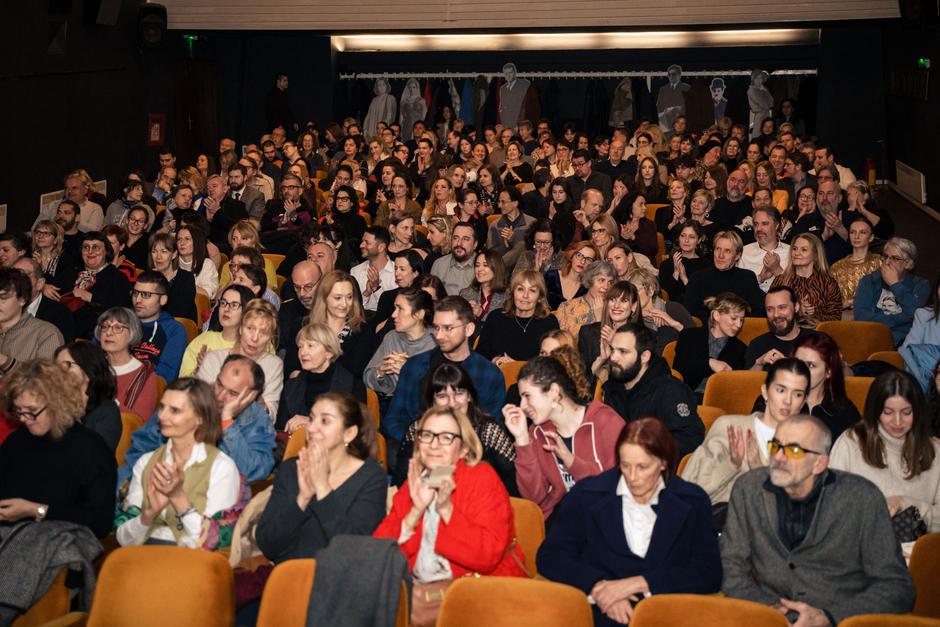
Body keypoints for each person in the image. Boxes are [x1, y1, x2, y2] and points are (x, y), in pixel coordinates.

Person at [721, 414, 916, 624]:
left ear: (819, 463)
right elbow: (729, 564)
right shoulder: (748, 489)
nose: (778, 458)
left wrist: (829, 617)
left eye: (794, 451)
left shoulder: (862, 498)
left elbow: (897, 586)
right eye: (775, 446)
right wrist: (769, 610)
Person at [538, 418, 722, 627]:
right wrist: (598, 588)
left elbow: (708, 571)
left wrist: (640, 583)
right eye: (625, 465)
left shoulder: (693, 501)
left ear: (663, 463)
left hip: (667, 612)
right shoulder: (588, 495)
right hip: (598, 613)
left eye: (643, 467)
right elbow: (552, 556)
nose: (633, 477)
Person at [374, 406, 526, 596]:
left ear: (463, 449)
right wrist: (415, 512)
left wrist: (446, 509)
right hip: (419, 590)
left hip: (479, 593)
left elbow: (487, 556)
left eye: (446, 437)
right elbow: (378, 554)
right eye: (427, 435)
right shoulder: (416, 481)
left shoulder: (481, 478)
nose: (434, 445)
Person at [115, 377, 246, 550]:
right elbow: (124, 540)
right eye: (162, 407)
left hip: (192, 562)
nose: (162, 416)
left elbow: (213, 543)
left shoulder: (221, 468)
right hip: (144, 554)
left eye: (175, 410)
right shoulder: (146, 462)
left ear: (200, 418)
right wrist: (147, 516)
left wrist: (179, 498)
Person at [257, 391, 387, 563]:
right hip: (291, 578)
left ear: (349, 433)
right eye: (311, 419)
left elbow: (355, 550)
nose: (311, 428)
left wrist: (322, 488)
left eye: (325, 421)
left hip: (341, 580)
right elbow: (268, 544)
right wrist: (302, 499)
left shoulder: (370, 477)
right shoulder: (292, 468)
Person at [118, 354, 275, 489]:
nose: (220, 396)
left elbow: (253, 472)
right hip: (155, 479)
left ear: (251, 396)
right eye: (219, 384)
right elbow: (142, 446)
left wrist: (227, 422)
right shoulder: (189, 397)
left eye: (233, 393)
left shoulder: (258, 421)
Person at [0, 359, 116, 538]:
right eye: (18, 410)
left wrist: (36, 510)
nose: (23, 419)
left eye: (31, 411)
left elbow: (100, 522)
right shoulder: (17, 441)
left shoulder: (90, 449)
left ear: (58, 403)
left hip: (57, 542)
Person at [503, 353, 625, 519]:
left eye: (527, 396)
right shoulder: (538, 432)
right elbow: (534, 498)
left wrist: (572, 462)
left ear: (554, 391)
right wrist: (523, 440)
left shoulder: (605, 421)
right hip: (562, 525)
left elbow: (618, 488)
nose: (523, 406)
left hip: (607, 520)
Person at [682, 358, 810, 506]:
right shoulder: (731, 428)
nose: (788, 400)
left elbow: (802, 511)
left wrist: (759, 471)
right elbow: (690, 491)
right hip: (716, 522)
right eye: (781, 390)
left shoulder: (805, 445)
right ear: (765, 391)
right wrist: (731, 465)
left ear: (804, 400)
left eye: (798, 394)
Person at [383, 296, 506, 448]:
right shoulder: (415, 366)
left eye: (448, 328)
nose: (439, 336)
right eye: (436, 328)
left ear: (469, 329)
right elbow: (394, 419)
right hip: (420, 450)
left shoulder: (489, 374)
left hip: (470, 455)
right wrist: (423, 443)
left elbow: (492, 427)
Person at [830, 370, 940, 532]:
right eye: (888, 412)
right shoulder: (850, 443)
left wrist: (906, 503)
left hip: (918, 551)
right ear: (875, 411)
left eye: (906, 412)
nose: (897, 421)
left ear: (917, 411)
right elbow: (830, 509)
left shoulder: (934, 450)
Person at [394, 363, 517, 495]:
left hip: (481, 504)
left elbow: (515, 484)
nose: (452, 403)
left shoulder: (488, 431)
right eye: (442, 396)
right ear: (432, 402)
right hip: (429, 507)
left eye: (459, 393)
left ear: (469, 396)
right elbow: (402, 484)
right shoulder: (419, 431)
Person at [603, 323, 705, 460]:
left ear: (645, 356)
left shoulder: (670, 390)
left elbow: (689, 440)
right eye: (612, 349)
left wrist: (647, 456)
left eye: (623, 351)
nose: (613, 357)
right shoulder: (612, 388)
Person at [198, 299, 283, 417]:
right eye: (250, 328)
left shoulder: (274, 364)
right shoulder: (213, 359)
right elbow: (198, 405)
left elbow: (271, 417)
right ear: (241, 328)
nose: (255, 338)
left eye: (263, 332)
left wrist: (256, 397)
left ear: (270, 337)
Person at [855, 236, 931, 346]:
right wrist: (903, 318)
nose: (887, 262)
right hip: (869, 337)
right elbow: (861, 317)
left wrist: (895, 284)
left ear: (909, 264)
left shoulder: (921, 285)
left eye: (895, 258)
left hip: (901, 343)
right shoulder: (868, 281)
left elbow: (915, 313)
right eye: (885, 256)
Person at [475, 269, 560, 365]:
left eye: (532, 290)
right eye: (520, 289)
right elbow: (479, 355)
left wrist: (516, 366)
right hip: (497, 376)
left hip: (534, 377)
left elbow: (553, 363)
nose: (525, 295)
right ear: (512, 293)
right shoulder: (496, 317)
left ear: (540, 297)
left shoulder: (549, 322)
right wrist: (495, 360)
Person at [364, 288, 436, 401]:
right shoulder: (392, 337)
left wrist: (410, 371)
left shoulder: (437, 342)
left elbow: (440, 389)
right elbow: (367, 377)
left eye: (400, 309)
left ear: (419, 314)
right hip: (393, 405)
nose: (393, 314)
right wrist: (380, 372)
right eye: (395, 308)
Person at [52, 341, 121, 453]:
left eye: (67, 365)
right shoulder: (50, 405)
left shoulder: (107, 411)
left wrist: (75, 416)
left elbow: (94, 458)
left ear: (89, 370)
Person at [673, 293, 748, 393]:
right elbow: (679, 372)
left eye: (741, 320)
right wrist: (709, 362)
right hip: (685, 396)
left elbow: (735, 387)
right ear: (716, 315)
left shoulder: (740, 348)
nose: (739, 325)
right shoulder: (689, 336)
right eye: (734, 318)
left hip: (718, 401)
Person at [306, 270, 376, 378]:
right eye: (338, 298)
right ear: (324, 298)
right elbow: (293, 369)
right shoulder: (306, 326)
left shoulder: (363, 331)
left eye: (349, 297)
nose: (344, 304)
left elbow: (355, 372)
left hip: (344, 391)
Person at [65, 231, 133, 339]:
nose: (90, 252)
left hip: (95, 335)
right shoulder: (70, 271)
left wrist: (90, 297)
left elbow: (122, 312)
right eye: (86, 247)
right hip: (62, 327)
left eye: (96, 247)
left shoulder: (118, 278)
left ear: (106, 251)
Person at [684, 230, 765, 318]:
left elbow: (757, 313)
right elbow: (690, 314)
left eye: (727, 251)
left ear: (737, 255)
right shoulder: (698, 278)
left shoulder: (747, 278)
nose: (720, 255)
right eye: (718, 249)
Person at [96, 307, 159, 421]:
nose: (108, 332)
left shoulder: (145, 374)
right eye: (105, 326)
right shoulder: (91, 366)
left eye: (118, 328)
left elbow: (138, 421)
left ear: (132, 333)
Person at [578, 281, 643, 388]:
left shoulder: (643, 337)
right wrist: (600, 360)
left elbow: (642, 380)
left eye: (624, 301)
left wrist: (617, 342)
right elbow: (581, 383)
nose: (616, 305)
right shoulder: (588, 333)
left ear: (634, 306)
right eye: (612, 299)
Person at [770, 233, 841, 326]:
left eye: (804, 250)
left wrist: (813, 315)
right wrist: (797, 312)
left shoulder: (828, 283)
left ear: (815, 255)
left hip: (818, 335)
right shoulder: (781, 281)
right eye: (794, 249)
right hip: (787, 334)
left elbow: (835, 318)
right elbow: (771, 311)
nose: (796, 253)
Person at [0, 266, 64, 369]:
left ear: (22, 300)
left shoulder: (46, 333)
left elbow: (46, 380)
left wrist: (4, 361)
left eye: (3, 298)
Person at [130, 271, 187, 382]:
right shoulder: (120, 323)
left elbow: (165, 376)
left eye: (146, 295)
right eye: (135, 293)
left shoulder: (174, 330)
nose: (138, 300)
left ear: (163, 300)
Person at [624, 267, 694, 355]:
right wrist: (637, 316)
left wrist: (675, 324)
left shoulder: (674, 309)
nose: (632, 296)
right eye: (629, 292)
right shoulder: (629, 318)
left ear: (650, 290)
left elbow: (697, 343)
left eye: (636, 291)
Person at [745, 286, 814, 370]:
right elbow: (748, 381)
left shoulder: (817, 341)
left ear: (796, 307)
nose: (776, 315)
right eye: (770, 309)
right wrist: (759, 363)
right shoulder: (757, 345)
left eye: (782, 307)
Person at [555, 260, 616, 336]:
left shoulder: (614, 310)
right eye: (601, 280)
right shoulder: (567, 307)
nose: (606, 287)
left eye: (610, 282)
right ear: (590, 280)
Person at [738, 207, 790, 292]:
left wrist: (777, 270)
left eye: (764, 224)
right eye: (756, 224)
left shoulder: (791, 252)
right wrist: (760, 278)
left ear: (777, 225)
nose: (758, 229)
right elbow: (738, 290)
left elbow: (797, 290)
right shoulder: (743, 252)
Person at [148, 232, 198, 322]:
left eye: (164, 251)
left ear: (174, 254)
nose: (158, 257)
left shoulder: (186, 278)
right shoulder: (147, 279)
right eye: (154, 252)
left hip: (177, 328)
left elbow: (179, 312)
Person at [658, 221, 710, 303]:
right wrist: (675, 273)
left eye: (691, 237)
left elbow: (701, 299)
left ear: (699, 240)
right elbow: (666, 296)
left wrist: (684, 278)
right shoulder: (666, 264)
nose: (686, 240)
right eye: (683, 236)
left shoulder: (706, 266)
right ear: (678, 237)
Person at [486, 186, 535, 269]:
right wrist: (506, 244)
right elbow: (491, 254)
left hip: (525, 270)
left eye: (503, 202)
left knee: (523, 245)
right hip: (503, 271)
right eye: (499, 202)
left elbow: (533, 250)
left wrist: (513, 239)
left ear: (515, 203)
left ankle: (499, 268)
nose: (499, 205)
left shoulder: (531, 224)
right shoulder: (495, 226)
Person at [351, 226, 396, 312]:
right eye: (362, 241)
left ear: (381, 247)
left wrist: (376, 289)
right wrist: (366, 294)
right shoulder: (355, 271)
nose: (361, 245)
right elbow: (352, 309)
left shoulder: (396, 272)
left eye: (366, 242)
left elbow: (393, 310)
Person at [544, 241, 598, 310]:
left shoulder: (587, 289)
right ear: (572, 256)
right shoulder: (551, 277)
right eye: (579, 255)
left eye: (588, 259)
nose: (582, 261)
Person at [459, 248, 509, 323]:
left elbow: (504, 325)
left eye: (485, 265)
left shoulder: (508, 296)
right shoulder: (465, 294)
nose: (479, 269)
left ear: (496, 268)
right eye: (477, 265)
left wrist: (481, 314)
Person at [31, 219, 78, 297]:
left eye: (46, 233)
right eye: (38, 232)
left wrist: (41, 268)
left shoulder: (65, 259)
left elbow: (59, 288)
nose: (40, 236)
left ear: (55, 240)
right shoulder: (29, 256)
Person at [430, 221, 477, 296]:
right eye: (455, 238)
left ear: (475, 244)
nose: (459, 243)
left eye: (465, 239)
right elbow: (431, 297)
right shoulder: (439, 264)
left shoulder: (483, 266)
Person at [176, 225, 219, 300]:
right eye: (179, 239)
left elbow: (208, 294)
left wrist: (183, 284)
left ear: (196, 242)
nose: (182, 243)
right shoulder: (171, 263)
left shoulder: (207, 264)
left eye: (187, 239)